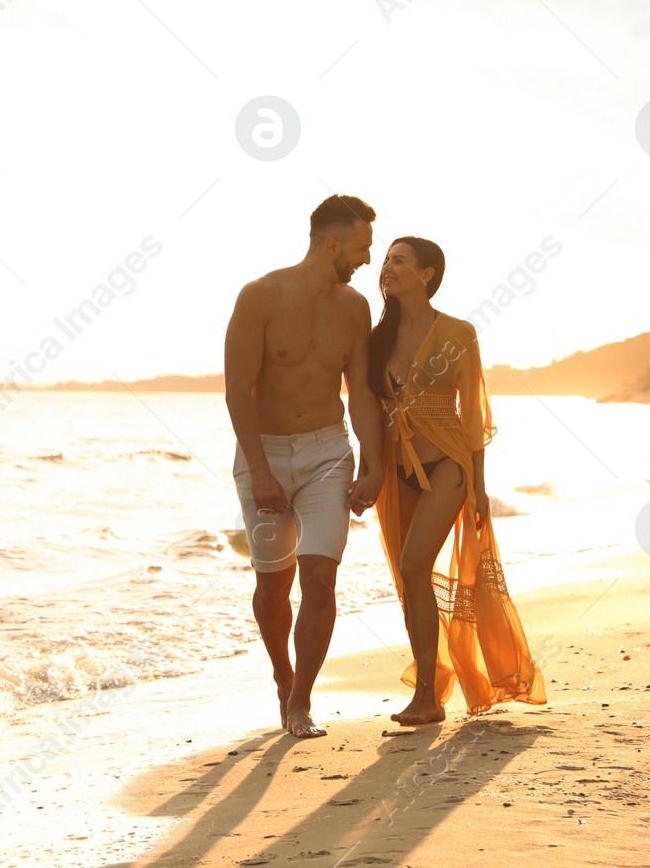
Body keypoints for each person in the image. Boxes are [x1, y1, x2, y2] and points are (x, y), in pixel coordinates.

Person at [367, 236, 546, 725]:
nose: (387, 267)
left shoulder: (458, 333)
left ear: (427, 274)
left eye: (399, 261)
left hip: (448, 461)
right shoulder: (375, 337)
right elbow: (363, 406)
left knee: (414, 561)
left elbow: (473, 414)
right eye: (385, 260)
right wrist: (368, 467)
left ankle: (428, 694)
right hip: (396, 462)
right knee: (410, 578)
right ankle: (430, 687)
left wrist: (480, 485)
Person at [224, 194, 384, 739]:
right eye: (362, 247)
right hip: (263, 452)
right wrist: (260, 469)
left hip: (326, 454)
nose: (367, 259)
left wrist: (372, 461)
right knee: (274, 584)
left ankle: (300, 702)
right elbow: (238, 391)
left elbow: (359, 391)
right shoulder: (260, 296)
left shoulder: (354, 308)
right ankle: (281, 676)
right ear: (332, 244)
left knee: (319, 577)